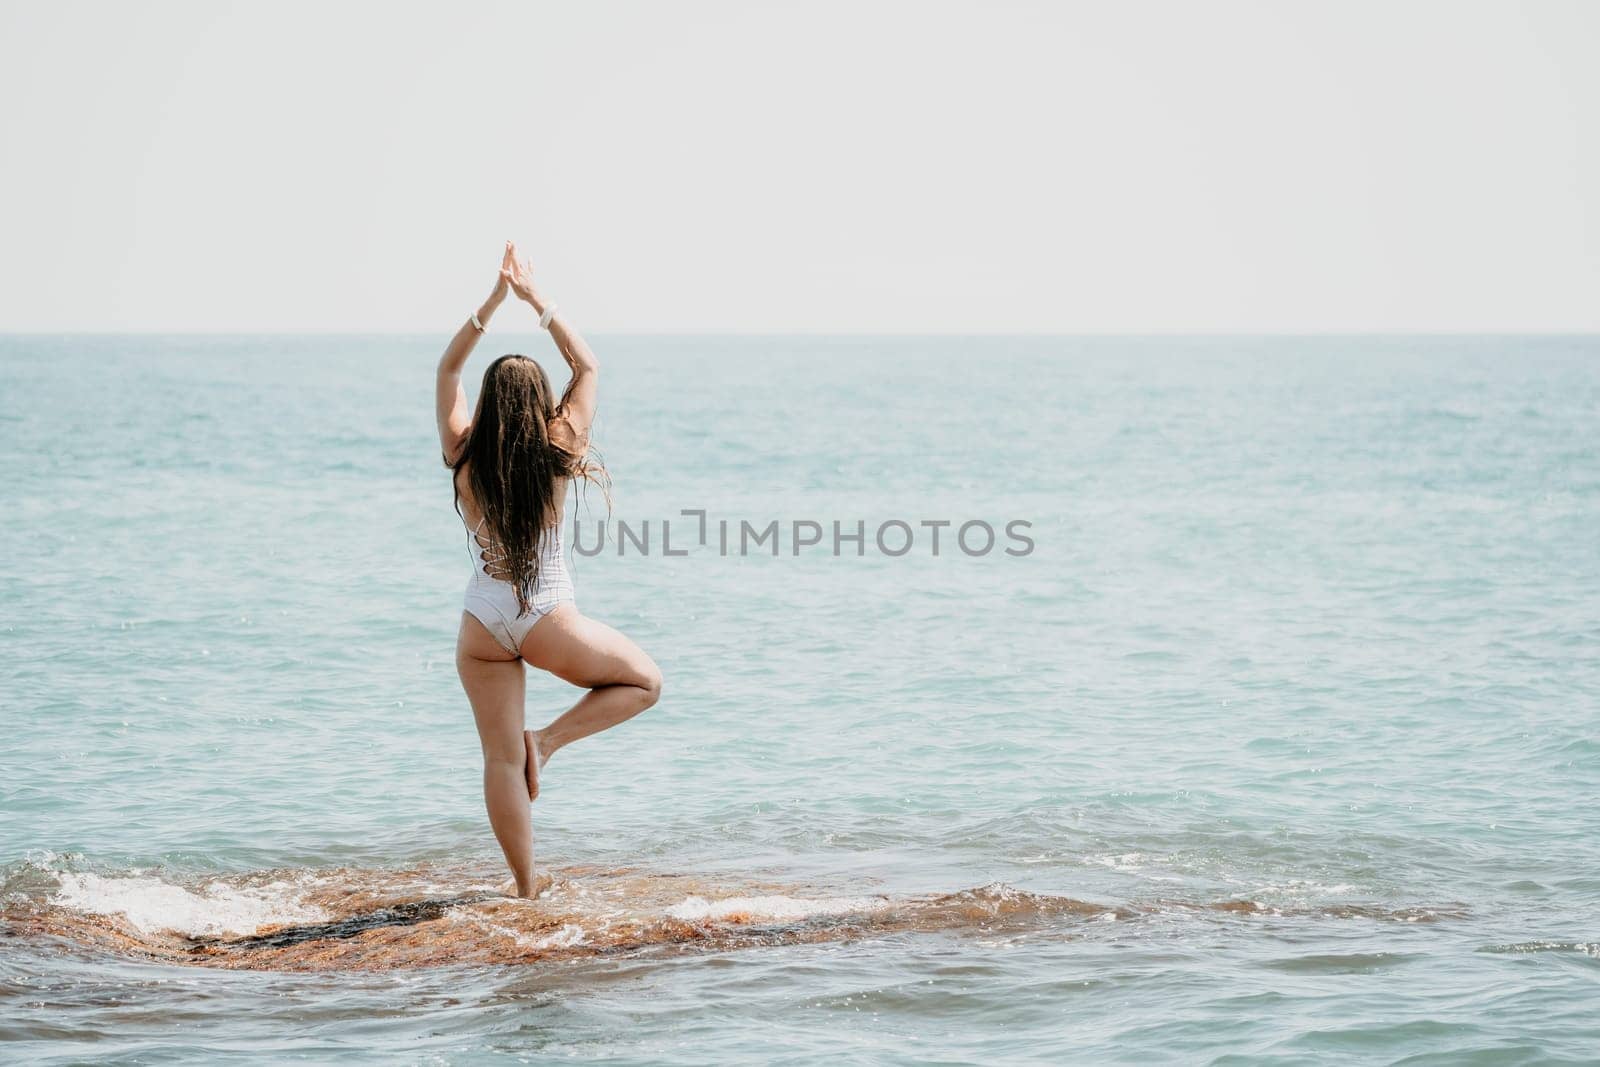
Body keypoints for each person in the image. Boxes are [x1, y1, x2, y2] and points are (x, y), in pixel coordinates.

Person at [435, 242, 662, 898]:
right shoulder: (559, 448)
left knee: (500, 760)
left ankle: (525, 888)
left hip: (482, 624)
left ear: (487, 401)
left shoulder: (464, 455)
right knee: (646, 682)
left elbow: (447, 371)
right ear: (540, 403)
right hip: (544, 617)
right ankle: (552, 741)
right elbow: (586, 365)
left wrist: (490, 306)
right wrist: (537, 300)